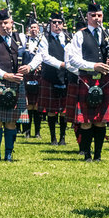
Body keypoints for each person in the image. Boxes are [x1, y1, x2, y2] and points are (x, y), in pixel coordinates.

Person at [66, 2, 109, 162]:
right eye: (93, 15)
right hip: (86, 80)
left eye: (99, 15)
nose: (96, 18)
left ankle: (98, 155)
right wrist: (93, 66)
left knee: (101, 121)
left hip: (105, 80)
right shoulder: (80, 35)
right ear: (87, 17)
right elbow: (73, 59)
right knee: (86, 122)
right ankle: (87, 154)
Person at [0, 8, 31, 161]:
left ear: (12, 23)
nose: (4, 26)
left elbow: (41, 53)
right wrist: (6, 75)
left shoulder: (21, 38)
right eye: (0, 23)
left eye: (6, 23)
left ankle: (8, 154)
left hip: (17, 84)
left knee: (11, 121)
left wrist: (30, 66)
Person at [37, 12, 70, 146]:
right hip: (50, 77)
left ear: (63, 24)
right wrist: (61, 64)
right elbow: (44, 56)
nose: (57, 25)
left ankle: (62, 138)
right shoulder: (45, 38)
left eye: (59, 22)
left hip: (66, 78)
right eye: (54, 22)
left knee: (63, 110)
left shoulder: (68, 37)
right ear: (50, 24)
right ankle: (53, 138)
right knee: (51, 110)